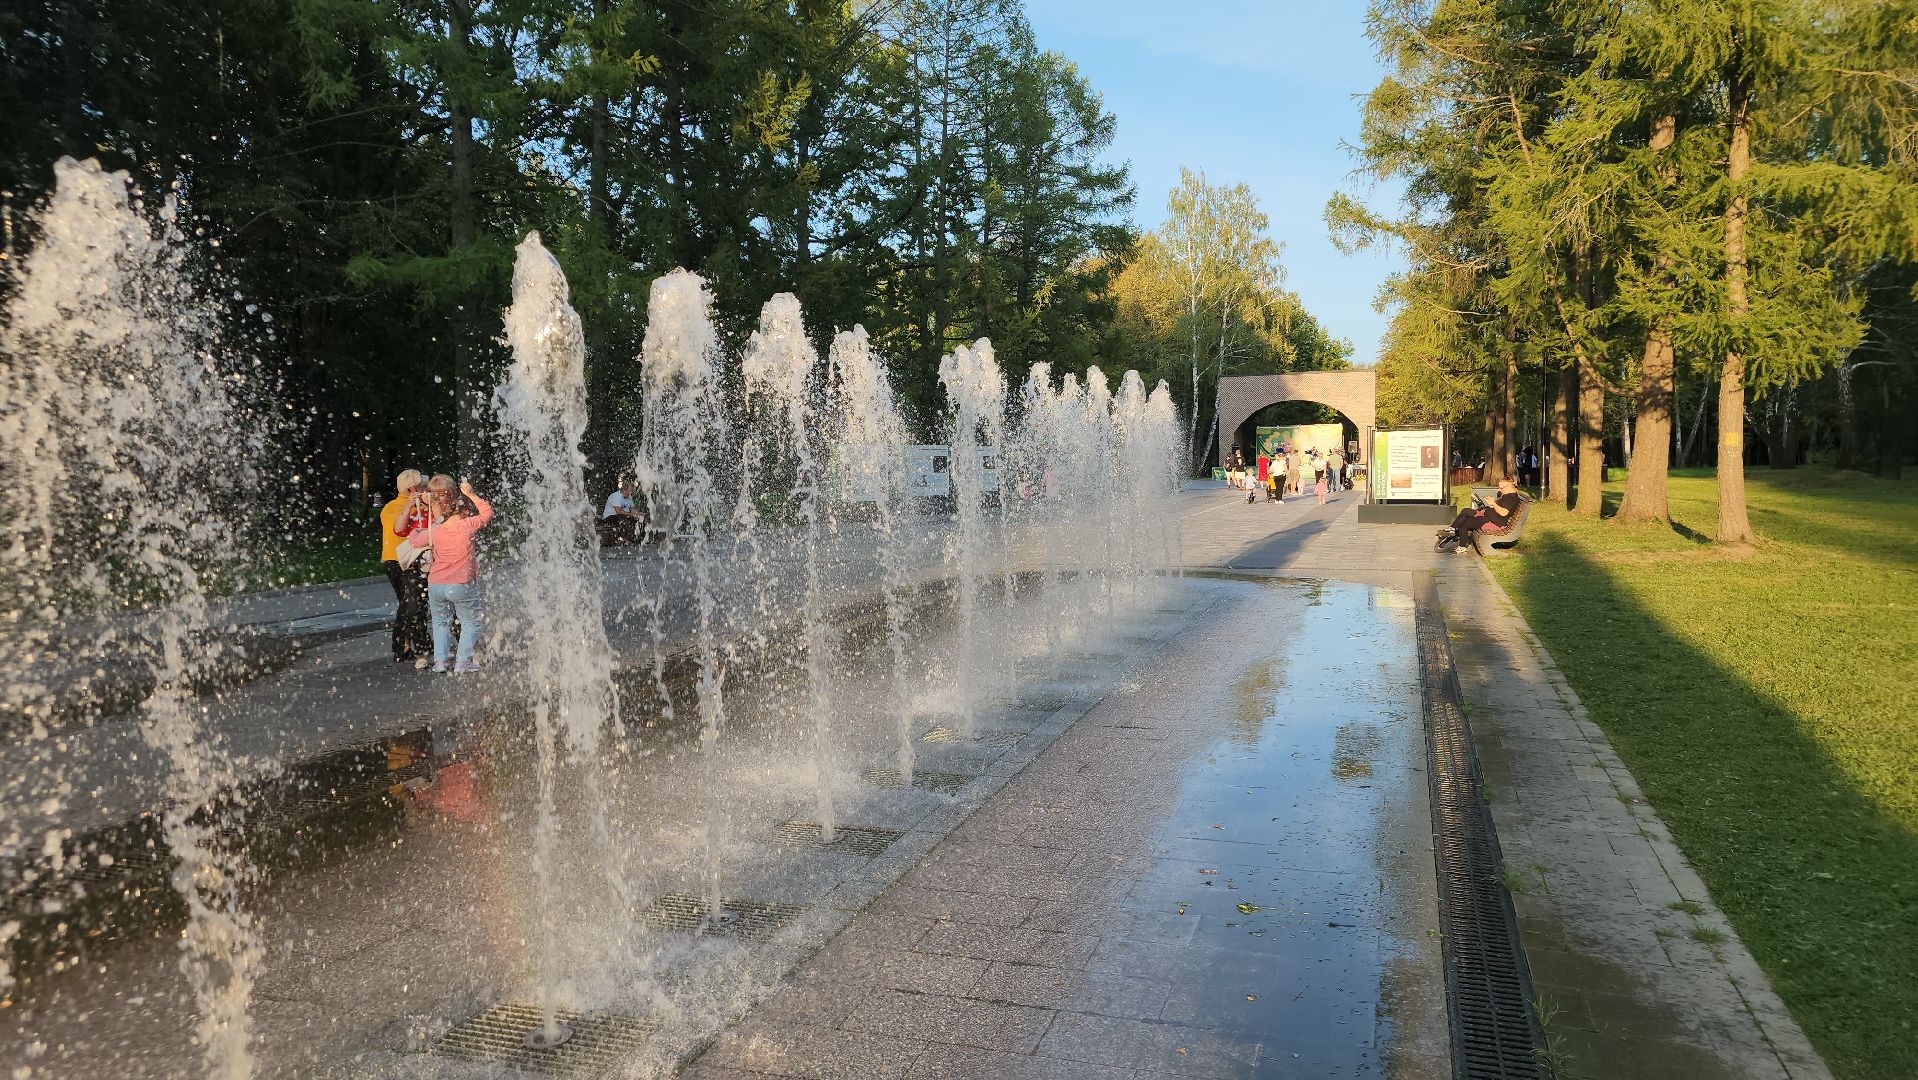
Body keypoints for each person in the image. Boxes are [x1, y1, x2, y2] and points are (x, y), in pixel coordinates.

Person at [416, 475, 494, 674]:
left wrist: (416, 518)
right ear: (464, 511)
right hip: (460, 583)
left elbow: (414, 541)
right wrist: (471, 494)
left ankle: (440, 663)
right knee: (470, 621)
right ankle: (462, 662)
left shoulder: (437, 530)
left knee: (440, 622)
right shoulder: (467, 525)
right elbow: (487, 513)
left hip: (435, 584)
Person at [378, 470, 431, 667]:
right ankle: (403, 646)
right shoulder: (413, 508)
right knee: (412, 604)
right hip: (407, 560)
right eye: (423, 486)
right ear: (413, 489)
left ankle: (415, 642)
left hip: (390, 560)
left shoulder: (388, 507)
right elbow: (400, 529)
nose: (427, 489)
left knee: (410, 602)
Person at [1436, 475, 1523, 553]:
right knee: (1466, 511)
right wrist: (1491, 504)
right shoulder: (1508, 495)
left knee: (1464, 524)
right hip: (1489, 516)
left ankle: (1461, 545)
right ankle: (1453, 529)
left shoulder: (1510, 498)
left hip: (1494, 521)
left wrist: (1493, 503)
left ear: (1509, 486)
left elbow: (1503, 513)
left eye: (1501, 488)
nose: (1500, 490)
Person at [601, 477, 640, 544]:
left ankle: (637, 538)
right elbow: (618, 511)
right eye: (629, 492)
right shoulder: (615, 496)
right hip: (610, 517)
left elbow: (632, 508)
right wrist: (631, 514)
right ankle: (626, 539)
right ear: (624, 490)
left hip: (623, 516)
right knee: (622, 518)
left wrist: (636, 514)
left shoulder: (629, 498)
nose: (630, 494)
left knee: (637, 519)